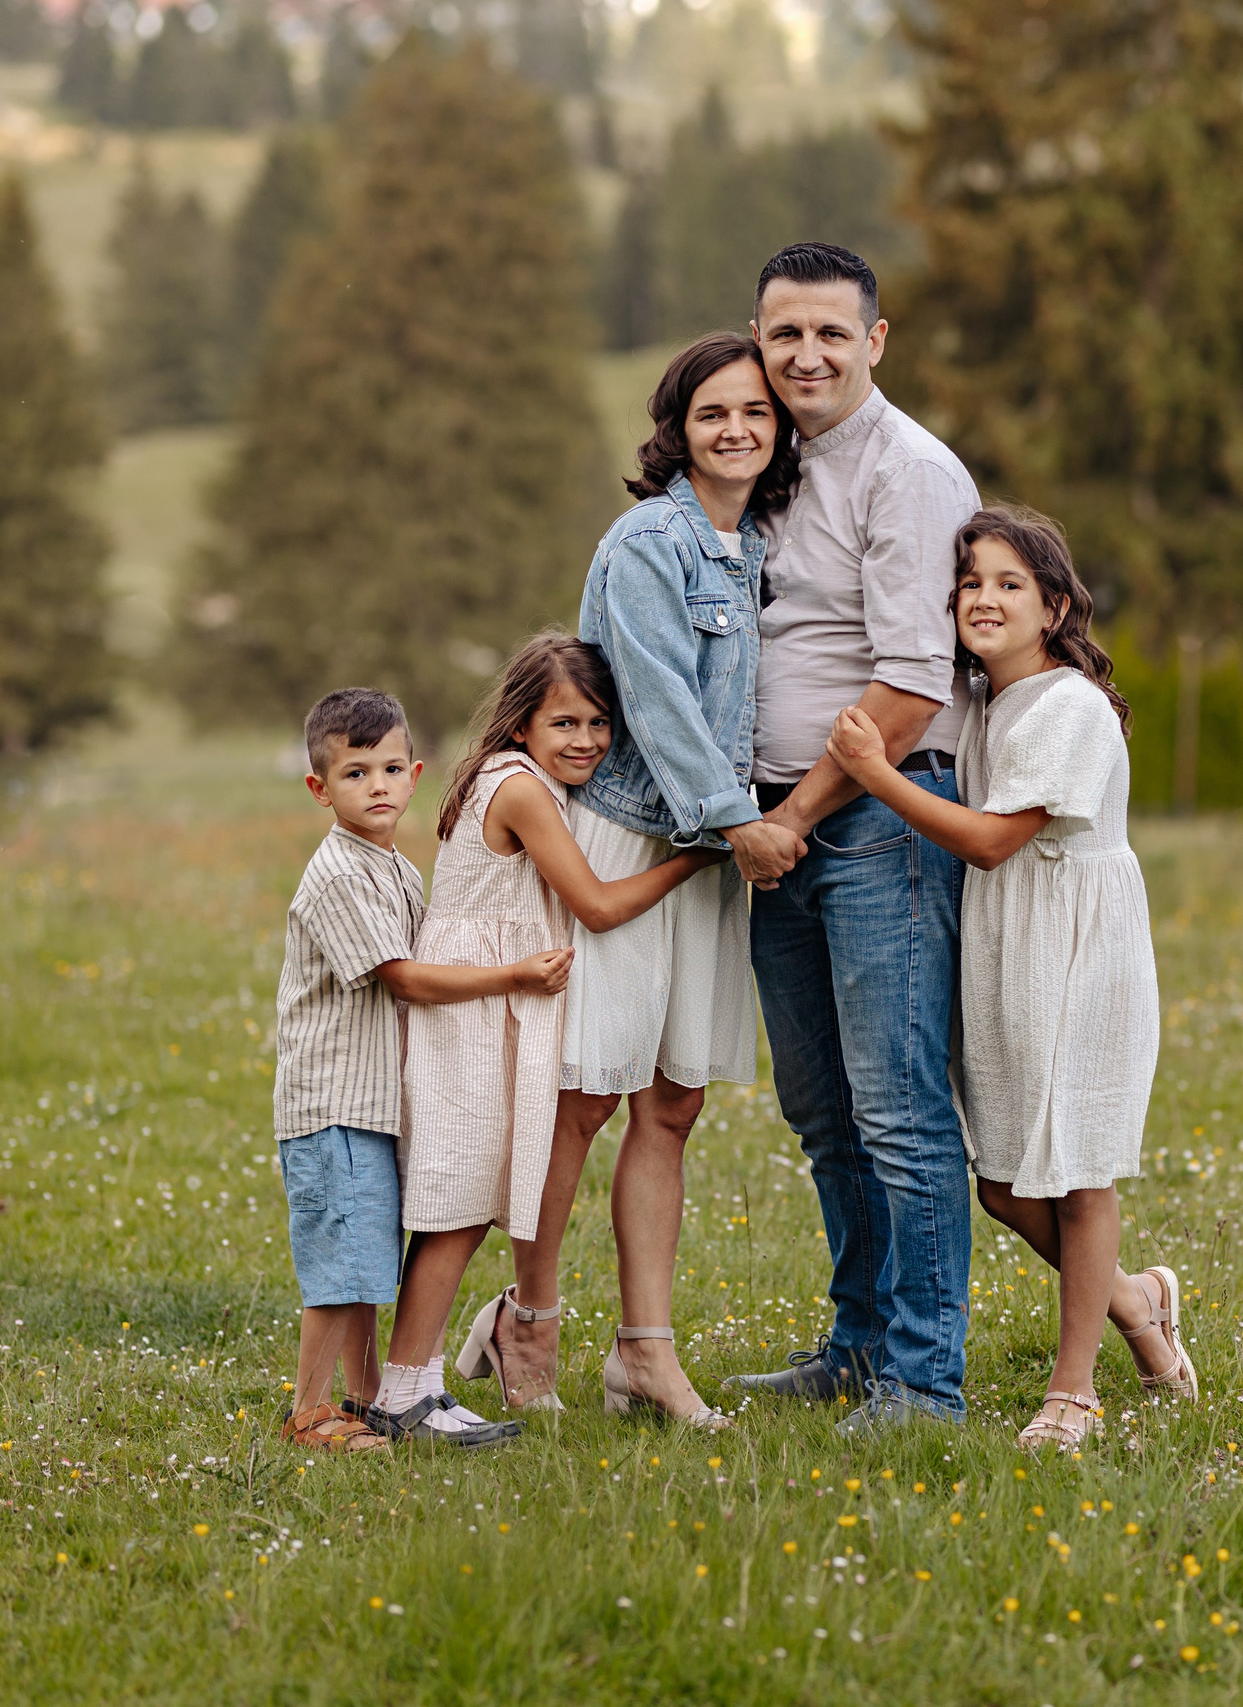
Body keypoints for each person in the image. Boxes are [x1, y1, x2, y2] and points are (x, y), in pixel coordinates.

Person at [824, 508, 1195, 1450]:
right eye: (970, 583)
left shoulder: (1069, 705)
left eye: (1008, 584)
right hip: (1005, 947)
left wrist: (873, 772)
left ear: (1055, 607)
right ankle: (1136, 1300)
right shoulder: (987, 700)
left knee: (1076, 1169)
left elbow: (993, 842)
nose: (983, 599)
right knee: (1002, 1184)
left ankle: (1075, 1391)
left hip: (1076, 948)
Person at [724, 242, 983, 1436]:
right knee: (823, 1113)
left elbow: (913, 685)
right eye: (785, 333)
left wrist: (790, 818)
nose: (807, 355)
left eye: (832, 332)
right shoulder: (769, 461)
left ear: (875, 341)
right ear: (759, 339)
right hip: (775, 832)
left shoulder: (908, 472)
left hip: (876, 824)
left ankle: (924, 1383)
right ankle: (859, 1347)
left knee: (897, 1111)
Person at [360, 635, 723, 1444]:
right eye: (565, 722)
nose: (586, 740)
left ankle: (416, 1383)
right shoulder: (519, 787)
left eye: (599, 722)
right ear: (522, 722)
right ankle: (404, 1393)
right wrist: (694, 859)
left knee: (465, 1203)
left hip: (498, 1008)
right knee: (454, 1205)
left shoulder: (530, 780)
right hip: (471, 1013)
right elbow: (595, 905)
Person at [557, 332, 808, 1431]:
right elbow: (654, 701)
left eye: (756, 412)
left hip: (709, 858)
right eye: (714, 412)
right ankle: (525, 1319)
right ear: (678, 426)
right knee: (583, 1097)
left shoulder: (757, 545)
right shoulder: (647, 543)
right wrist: (741, 822)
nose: (737, 429)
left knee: (673, 1103)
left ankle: (643, 1353)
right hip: (635, 836)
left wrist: (740, 830)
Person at [269, 687, 569, 1454]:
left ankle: (368, 1398)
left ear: (415, 774)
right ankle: (309, 1413)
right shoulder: (339, 874)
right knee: (342, 1267)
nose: (378, 785)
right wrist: (511, 976)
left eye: (391, 768)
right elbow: (402, 977)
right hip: (332, 1102)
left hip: (373, 1103)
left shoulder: (396, 868)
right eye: (355, 773)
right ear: (320, 788)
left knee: (368, 1262)